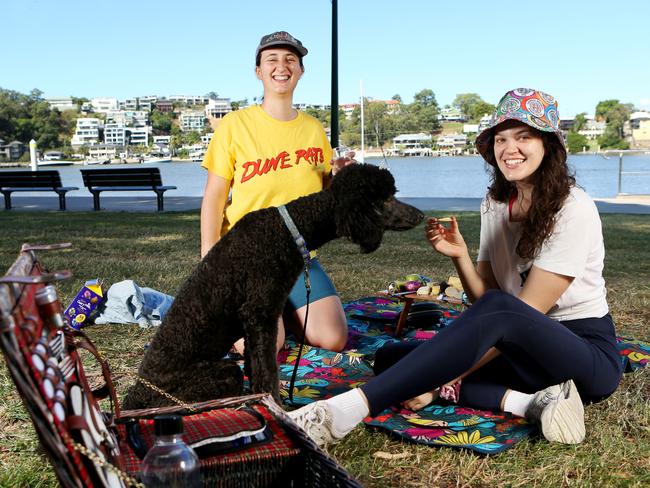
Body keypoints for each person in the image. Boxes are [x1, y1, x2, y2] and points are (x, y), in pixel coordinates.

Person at [288, 88, 623, 446]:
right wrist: (460, 256)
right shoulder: (496, 203)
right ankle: (529, 403)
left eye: (524, 137)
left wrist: (435, 379)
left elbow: (518, 313)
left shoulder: (573, 208)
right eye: (501, 138)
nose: (510, 149)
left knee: (429, 366)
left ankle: (345, 411)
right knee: (391, 357)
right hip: (520, 351)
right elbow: (488, 302)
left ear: (549, 145)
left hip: (582, 354)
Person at [200, 31, 353, 354]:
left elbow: (327, 197)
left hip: (298, 258)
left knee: (334, 339)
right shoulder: (234, 125)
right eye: (272, 59)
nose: (281, 66)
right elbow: (214, 198)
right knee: (267, 345)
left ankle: (283, 307)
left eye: (290, 60)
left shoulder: (313, 129)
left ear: (300, 70)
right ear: (258, 71)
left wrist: (341, 177)